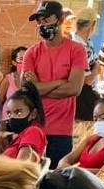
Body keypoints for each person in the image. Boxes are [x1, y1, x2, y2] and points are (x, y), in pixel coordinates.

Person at [23, 0, 87, 166]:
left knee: (55, 181)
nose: (41, 24)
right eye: (39, 20)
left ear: (59, 20)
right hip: (34, 128)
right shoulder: (31, 53)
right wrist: (60, 82)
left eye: (46, 19)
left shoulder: (76, 50)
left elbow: (74, 88)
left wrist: (39, 87)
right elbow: (27, 90)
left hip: (61, 131)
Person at [58, 96, 104, 172]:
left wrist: (73, 170)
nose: (99, 122)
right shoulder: (92, 139)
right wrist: (66, 167)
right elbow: (66, 160)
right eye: (95, 119)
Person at [0, 81, 46, 163]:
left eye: (18, 112)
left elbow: (22, 164)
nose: (12, 117)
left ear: (33, 114)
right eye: (9, 113)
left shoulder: (33, 131)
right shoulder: (21, 136)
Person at [69, 7, 98, 143]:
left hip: (84, 98)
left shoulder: (87, 43)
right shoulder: (80, 47)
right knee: (81, 142)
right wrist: (97, 68)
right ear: (92, 24)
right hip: (81, 100)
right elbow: (86, 80)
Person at [0, 46, 26, 114]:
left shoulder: (33, 80)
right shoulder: (8, 79)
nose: (24, 62)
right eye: (21, 59)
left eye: (27, 59)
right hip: (8, 119)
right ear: (14, 62)